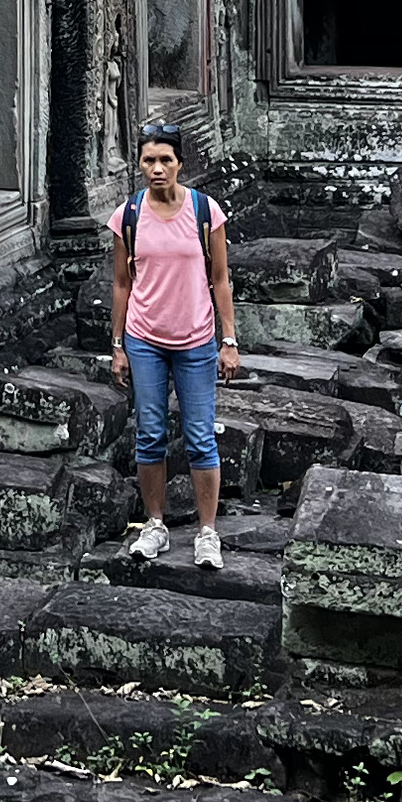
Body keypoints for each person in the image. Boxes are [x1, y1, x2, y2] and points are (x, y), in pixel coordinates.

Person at [107, 122, 239, 569]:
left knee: (201, 437)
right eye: (149, 160)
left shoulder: (205, 211)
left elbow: (220, 279)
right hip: (145, 339)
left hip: (196, 339)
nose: (157, 169)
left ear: (181, 163)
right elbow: (122, 284)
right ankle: (156, 524)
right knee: (150, 435)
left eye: (166, 160)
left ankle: (207, 532)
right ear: (139, 165)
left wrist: (229, 340)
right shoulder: (128, 215)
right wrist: (118, 344)